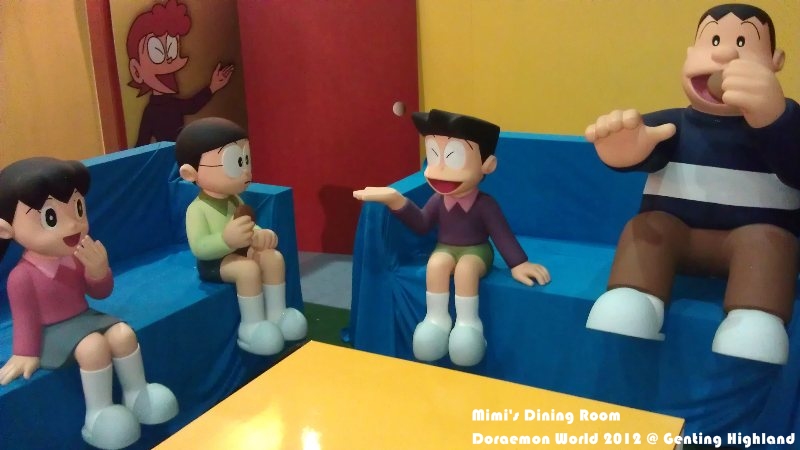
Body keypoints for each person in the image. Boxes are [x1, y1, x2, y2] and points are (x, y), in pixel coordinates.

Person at [584, 3, 800, 365]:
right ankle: (635, 299)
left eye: (743, 43)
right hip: (675, 237)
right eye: (713, 40)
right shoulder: (672, 124)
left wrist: (775, 120)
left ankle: (755, 318)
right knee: (648, 227)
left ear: (775, 61)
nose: (725, 53)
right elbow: (647, 148)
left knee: (770, 244)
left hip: (754, 243)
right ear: (690, 54)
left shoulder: (787, 124)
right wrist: (624, 150)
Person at [0, 157, 177, 449]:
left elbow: (101, 292)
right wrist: (25, 352)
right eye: (51, 218)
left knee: (123, 335)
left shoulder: (77, 256)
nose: (73, 224)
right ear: (6, 229)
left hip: (85, 317)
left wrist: (98, 271)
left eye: (78, 209)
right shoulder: (22, 276)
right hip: (53, 332)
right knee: (93, 347)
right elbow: (25, 318)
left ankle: (137, 394)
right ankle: (99, 414)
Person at [354, 109, 551, 366]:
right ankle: (436, 321)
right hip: (444, 248)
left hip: (477, 251)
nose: (439, 170)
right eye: (433, 155)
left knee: (466, 269)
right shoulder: (438, 200)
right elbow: (422, 223)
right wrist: (396, 200)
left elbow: (501, 233)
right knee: (436, 264)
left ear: (488, 165)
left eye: (453, 158)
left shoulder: (485, 205)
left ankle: (468, 325)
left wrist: (518, 263)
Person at [175, 117, 307, 356]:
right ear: (190, 173)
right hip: (214, 262)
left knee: (273, 258)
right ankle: (251, 326)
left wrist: (261, 234)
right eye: (234, 163)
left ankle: (277, 314)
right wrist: (225, 241)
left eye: (245, 160)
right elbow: (200, 247)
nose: (245, 171)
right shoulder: (197, 209)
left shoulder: (235, 199)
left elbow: (249, 227)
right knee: (247, 269)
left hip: (238, 252)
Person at [126, 0, 234, 146]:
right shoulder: (151, 112)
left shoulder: (173, 104)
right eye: (156, 51)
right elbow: (141, 144)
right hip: (170, 155)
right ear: (136, 71)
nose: (168, 62)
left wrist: (213, 87)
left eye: (171, 48)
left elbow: (192, 106)